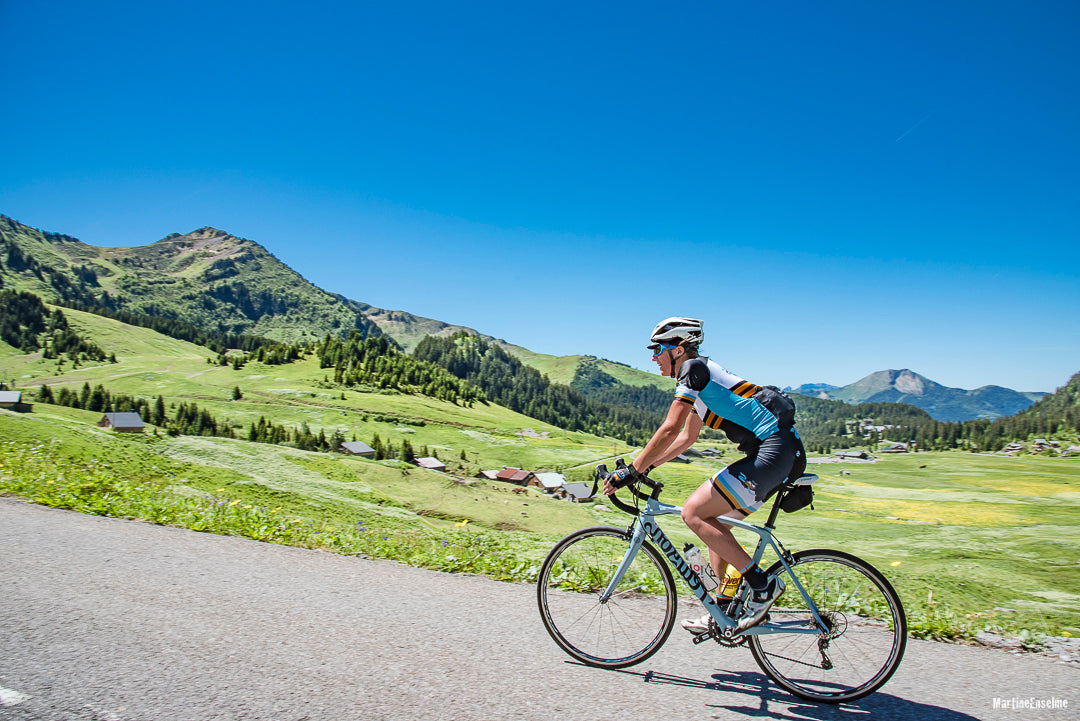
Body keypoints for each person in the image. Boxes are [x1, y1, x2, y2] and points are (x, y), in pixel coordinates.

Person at [603, 317, 805, 634]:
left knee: (693, 512)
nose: (653, 356)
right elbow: (687, 438)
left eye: (658, 348)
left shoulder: (692, 371)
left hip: (774, 451)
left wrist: (631, 471)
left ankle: (762, 585)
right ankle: (723, 610)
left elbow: (669, 428)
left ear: (679, 348)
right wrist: (649, 467)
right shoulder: (701, 378)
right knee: (715, 523)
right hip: (780, 453)